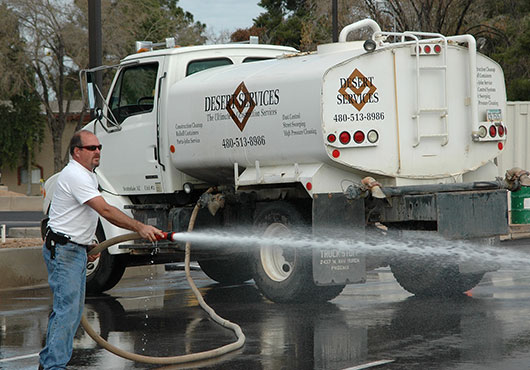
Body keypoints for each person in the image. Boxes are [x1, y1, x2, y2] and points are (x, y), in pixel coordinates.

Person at [39, 130, 164, 370]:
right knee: (67, 312)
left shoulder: (87, 176)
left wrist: (88, 244)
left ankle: (49, 364)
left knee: (69, 312)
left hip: (73, 249)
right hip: (64, 252)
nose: (97, 152)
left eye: (99, 148)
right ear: (77, 152)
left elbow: (75, 216)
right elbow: (105, 211)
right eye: (91, 148)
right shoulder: (75, 175)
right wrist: (139, 227)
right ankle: (53, 366)